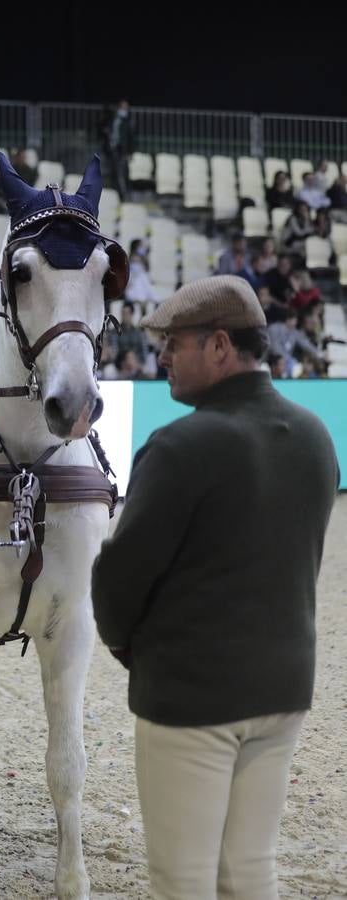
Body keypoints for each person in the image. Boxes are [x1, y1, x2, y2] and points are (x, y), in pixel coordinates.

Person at [92, 275, 337, 900]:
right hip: (284, 689)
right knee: (249, 871)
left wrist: (133, 653)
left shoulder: (180, 446)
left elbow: (118, 581)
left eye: (174, 342)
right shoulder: (316, 435)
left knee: (184, 881)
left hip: (193, 697)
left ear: (220, 345)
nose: (162, 356)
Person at [99, 98, 133, 198]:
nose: (124, 110)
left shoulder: (128, 121)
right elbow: (102, 127)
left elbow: (130, 138)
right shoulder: (111, 119)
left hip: (122, 150)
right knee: (112, 172)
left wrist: (130, 152)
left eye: (126, 108)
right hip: (110, 149)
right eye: (123, 107)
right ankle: (112, 193)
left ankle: (123, 195)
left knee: (121, 173)